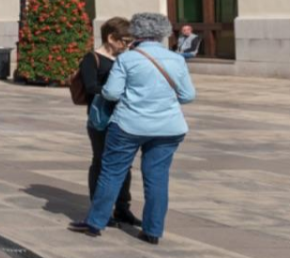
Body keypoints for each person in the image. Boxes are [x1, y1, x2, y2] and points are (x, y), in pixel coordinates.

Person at [71, 12, 196, 244]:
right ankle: (153, 232)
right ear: (163, 33)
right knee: (158, 178)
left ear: (136, 33)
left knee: (112, 172)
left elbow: (111, 93)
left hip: (129, 125)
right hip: (168, 127)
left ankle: (96, 223)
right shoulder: (176, 59)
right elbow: (188, 95)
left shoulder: (127, 59)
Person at [77, 18, 140, 228]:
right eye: (124, 41)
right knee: (101, 162)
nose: (127, 45)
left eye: (131, 41)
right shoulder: (92, 58)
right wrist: (113, 91)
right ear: (111, 38)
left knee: (124, 164)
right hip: (101, 119)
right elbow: (90, 87)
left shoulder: (126, 58)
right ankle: (99, 208)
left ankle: (123, 208)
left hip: (124, 117)